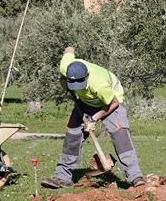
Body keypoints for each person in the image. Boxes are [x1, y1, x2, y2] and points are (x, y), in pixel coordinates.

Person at [44, 45, 146, 189]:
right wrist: (64, 82)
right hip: (86, 102)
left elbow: (114, 103)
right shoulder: (66, 67)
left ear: (86, 77)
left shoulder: (99, 84)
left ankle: (135, 176)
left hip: (110, 101)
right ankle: (62, 177)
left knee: (120, 134)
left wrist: (94, 119)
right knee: (72, 135)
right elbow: (69, 49)